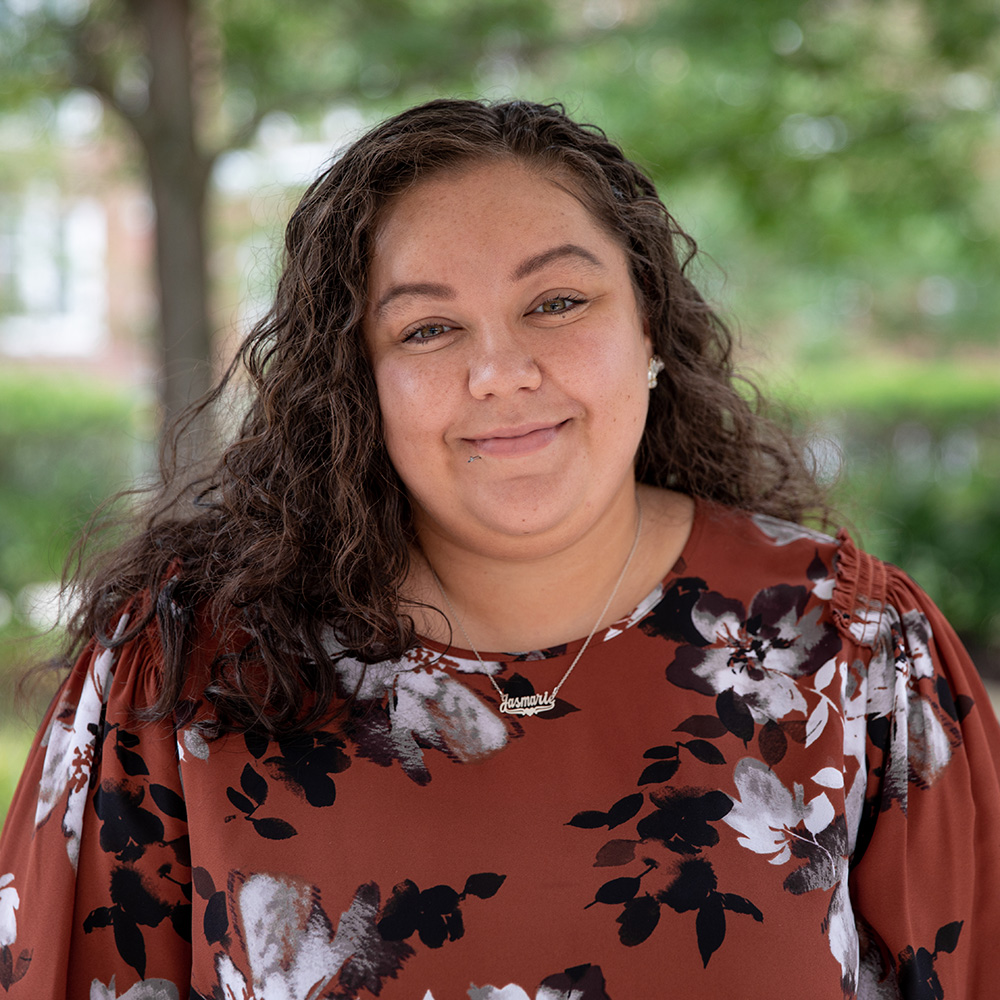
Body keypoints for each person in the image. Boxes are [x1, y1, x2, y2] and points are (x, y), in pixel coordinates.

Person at [1, 98, 997, 1000]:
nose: (501, 371)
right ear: (360, 381)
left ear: (649, 322)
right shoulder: (185, 663)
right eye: (429, 328)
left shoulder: (854, 644)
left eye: (557, 303)